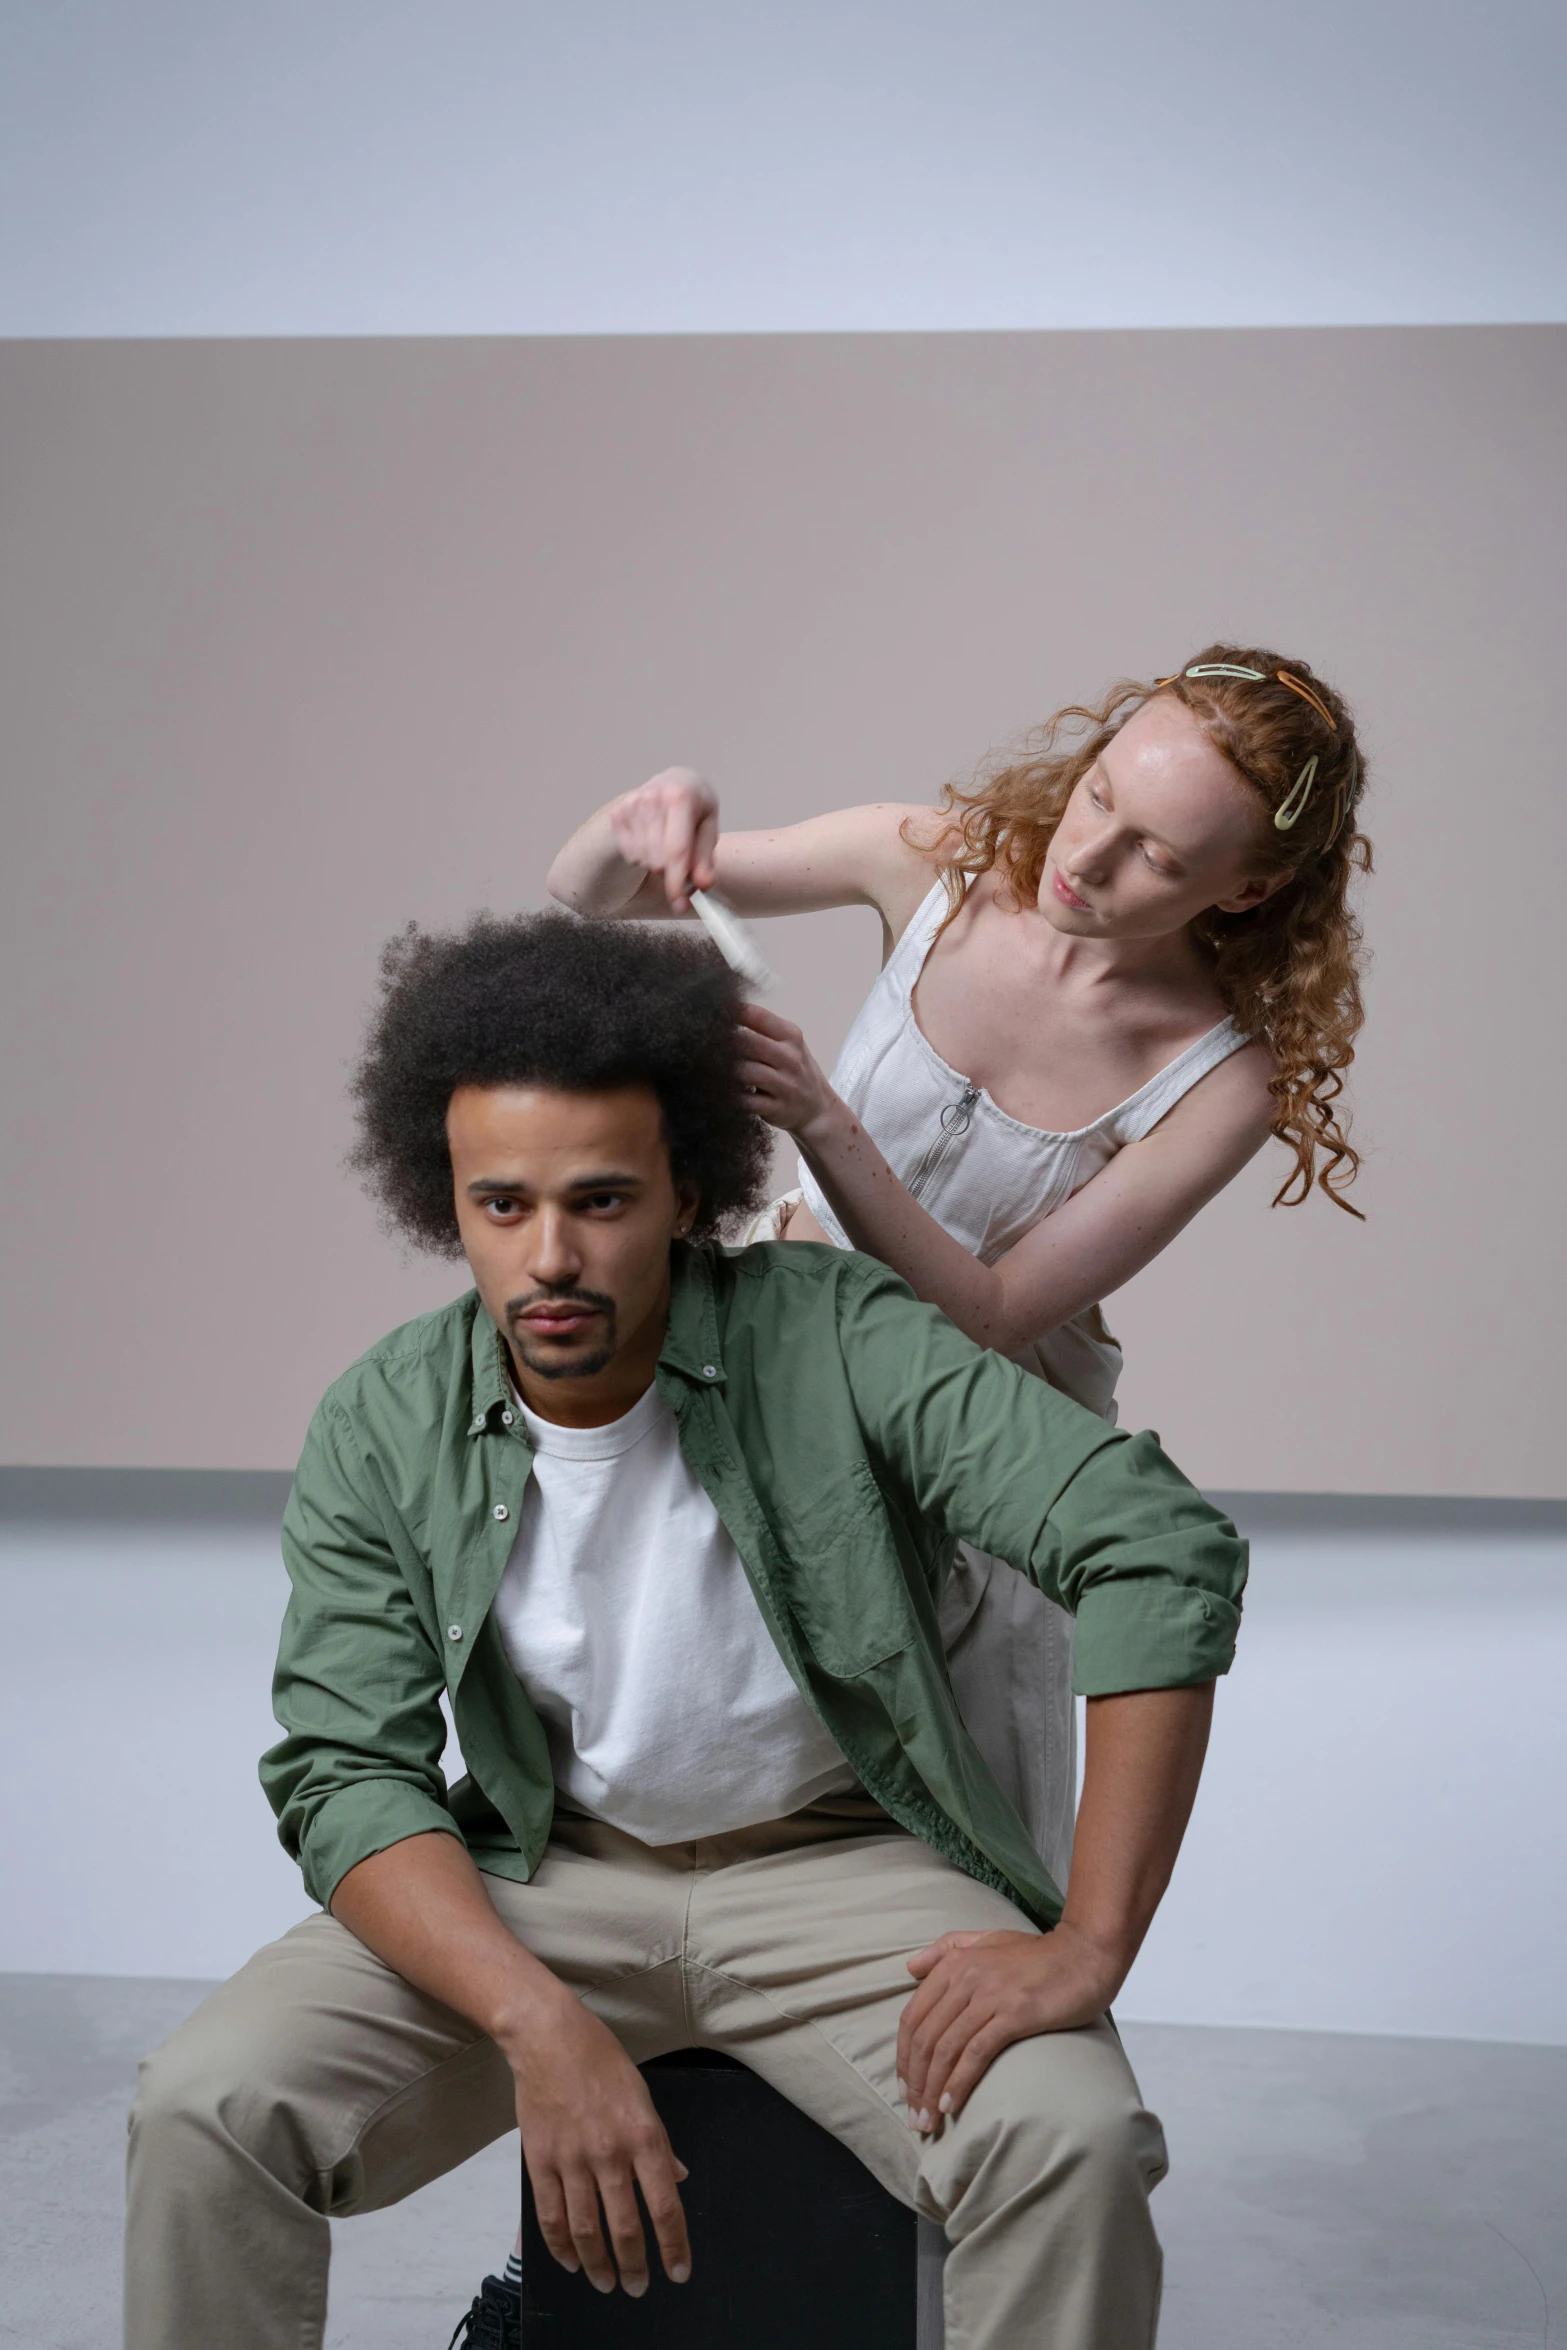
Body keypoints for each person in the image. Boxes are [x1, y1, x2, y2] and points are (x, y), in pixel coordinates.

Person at [125, 911, 1246, 2350]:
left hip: (845, 1875)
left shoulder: (834, 1331)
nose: (550, 1258)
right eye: (501, 1205)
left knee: (1070, 2144)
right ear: (443, 1201)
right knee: (205, 2105)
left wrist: (1091, 1937)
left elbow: (1150, 1538)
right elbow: (347, 1770)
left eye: (599, 1198)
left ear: (684, 1190)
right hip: (552, 1869)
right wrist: (536, 2023)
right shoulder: (383, 1416)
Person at [547, 645, 1370, 1879]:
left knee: (960, 1832)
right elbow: (592, 893)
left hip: (983, 1448)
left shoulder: (1225, 1078)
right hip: (783, 1364)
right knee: (703, 1766)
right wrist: (646, 811)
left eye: (1157, 851)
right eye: (1099, 793)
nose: (1084, 858)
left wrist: (825, 1123)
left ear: (1247, 891)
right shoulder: (931, 856)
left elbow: (992, 1314)